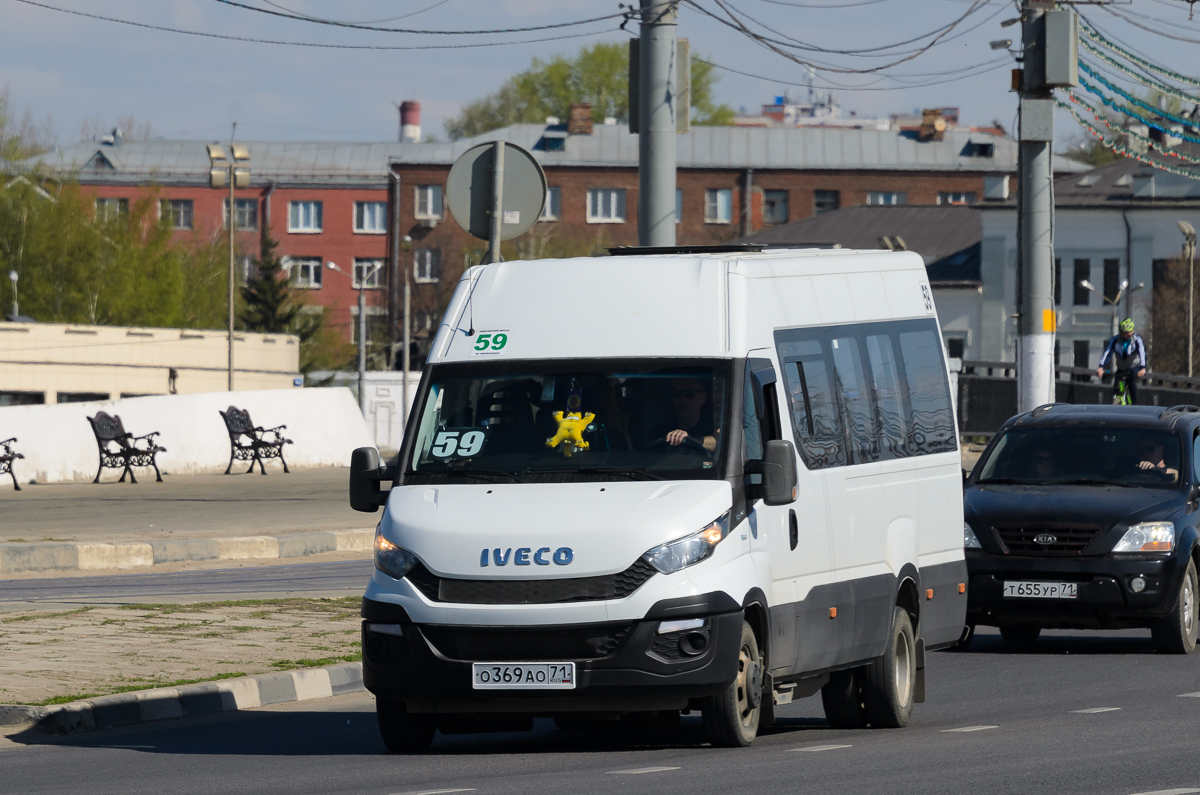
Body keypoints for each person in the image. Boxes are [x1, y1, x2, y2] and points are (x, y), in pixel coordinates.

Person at [657, 378, 719, 452]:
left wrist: (691, 441)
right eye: (676, 393)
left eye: (689, 393)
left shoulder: (713, 425)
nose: (682, 399)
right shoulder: (659, 431)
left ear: (703, 398)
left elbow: (717, 441)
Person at [1096, 318, 1147, 404]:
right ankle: (1117, 400)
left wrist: (1143, 368)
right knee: (1117, 386)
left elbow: (1142, 354)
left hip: (1133, 367)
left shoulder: (1137, 340)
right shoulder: (1115, 340)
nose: (1125, 336)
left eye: (1128, 334)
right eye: (1123, 334)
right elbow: (1108, 353)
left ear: (1132, 331)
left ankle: (1134, 404)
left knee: (1132, 384)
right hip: (1121, 368)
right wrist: (1101, 367)